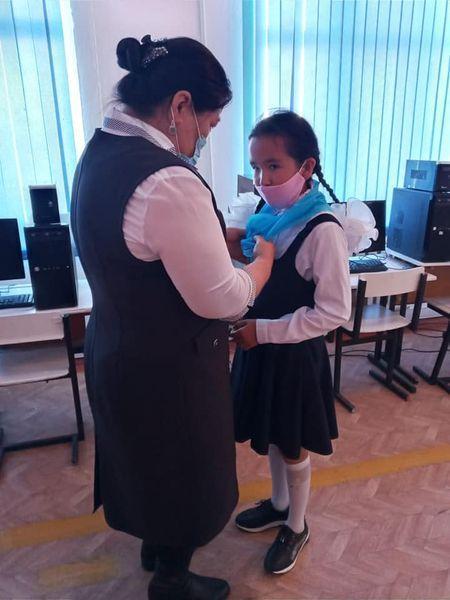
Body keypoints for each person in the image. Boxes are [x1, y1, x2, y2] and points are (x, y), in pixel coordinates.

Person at [70, 35, 274, 600]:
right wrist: (261, 264)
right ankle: (173, 579)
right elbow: (224, 300)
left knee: (143, 457)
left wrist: (212, 239)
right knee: (184, 468)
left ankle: (155, 545)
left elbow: (141, 245)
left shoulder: (99, 152)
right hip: (169, 366)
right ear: (180, 105)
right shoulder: (168, 180)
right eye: (208, 123)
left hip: (115, 346)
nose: (205, 136)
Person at [230, 110, 351, 575]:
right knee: (276, 437)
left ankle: (297, 525)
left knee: (294, 442)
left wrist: (262, 331)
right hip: (262, 352)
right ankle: (279, 504)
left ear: (306, 166)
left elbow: (333, 312)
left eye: (273, 166)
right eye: (256, 167)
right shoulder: (269, 215)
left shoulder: (322, 229)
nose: (262, 179)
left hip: (292, 356)